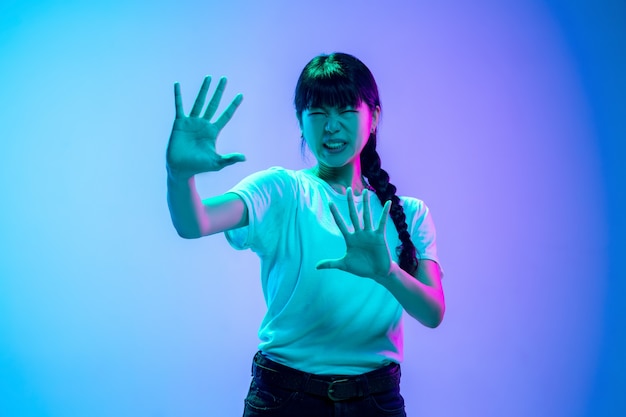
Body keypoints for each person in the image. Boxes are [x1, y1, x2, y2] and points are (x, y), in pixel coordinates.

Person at [166, 52, 445, 417]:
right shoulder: (282, 191)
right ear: (301, 121)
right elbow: (195, 223)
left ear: (373, 117)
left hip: (376, 400)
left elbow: (433, 312)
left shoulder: (409, 212)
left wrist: (386, 272)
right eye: (317, 113)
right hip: (285, 397)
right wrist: (179, 175)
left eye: (346, 110)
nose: (331, 127)